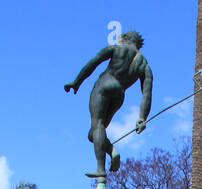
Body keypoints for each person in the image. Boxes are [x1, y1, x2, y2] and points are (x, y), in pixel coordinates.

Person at [65, 31, 154, 179]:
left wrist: (77, 82)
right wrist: (142, 117)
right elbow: (147, 93)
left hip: (104, 86)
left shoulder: (117, 49)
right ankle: (112, 151)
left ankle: (100, 169)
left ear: (125, 39)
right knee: (93, 134)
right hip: (119, 94)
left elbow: (93, 63)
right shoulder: (144, 64)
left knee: (97, 125)